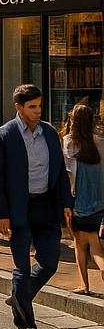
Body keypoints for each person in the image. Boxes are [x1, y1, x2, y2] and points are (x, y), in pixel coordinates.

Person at [0, 84, 74, 329]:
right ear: (19, 107)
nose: (38, 111)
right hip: (18, 210)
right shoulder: (4, 135)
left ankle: (19, 296)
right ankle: (27, 325)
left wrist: (66, 203)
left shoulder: (50, 133)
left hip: (46, 207)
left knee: (49, 263)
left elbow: (59, 171)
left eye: (40, 106)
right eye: (32, 107)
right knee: (22, 269)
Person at [62, 103, 104, 295]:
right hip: (99, 203)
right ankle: (86, 283)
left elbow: (69, 174)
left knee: (82, 244)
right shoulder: (101, 142)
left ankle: (85, 284)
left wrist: (66, 203)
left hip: (79, 202)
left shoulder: (69, 142)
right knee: (92, 241)